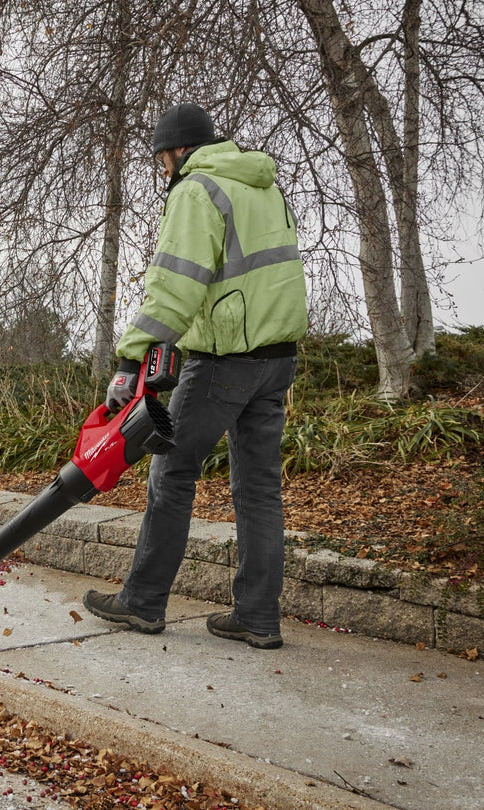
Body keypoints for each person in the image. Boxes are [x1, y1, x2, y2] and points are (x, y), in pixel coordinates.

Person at [82, 103, 308, 650]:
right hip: (278, 359)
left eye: (162, 159)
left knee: (172, 472)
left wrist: (132, 358)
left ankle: (142, 602)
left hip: (224, 359)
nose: (163, 169)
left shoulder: (197, 189)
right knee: (259, 489)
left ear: (177, 150)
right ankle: (258, 616)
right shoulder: (263, 187)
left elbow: (176, 286)